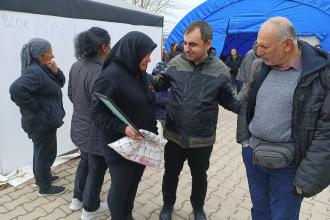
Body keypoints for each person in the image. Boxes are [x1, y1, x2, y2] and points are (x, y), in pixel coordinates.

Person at [237, 17, 330, 220]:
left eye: (265, 46)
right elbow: (247, 104)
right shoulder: (260, 66)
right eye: (257, 45)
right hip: (254, 158)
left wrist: (306, 177)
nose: (258, 52)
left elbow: (327, 132)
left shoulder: (321, 74)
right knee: (260, 212)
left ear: (287, 45)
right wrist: (245, 142)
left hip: (288, 168)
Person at [153, 21, 241, 220]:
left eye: (192, 44)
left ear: (208, 43)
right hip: (174, 135)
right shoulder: (176, 63)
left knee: (199, 176)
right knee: (170, 173)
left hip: (202, 139)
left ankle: (198, 207)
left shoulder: (220, 70)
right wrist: (141, 75)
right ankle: (168, 205)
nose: (186, 48)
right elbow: (158, 85)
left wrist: (249, 109)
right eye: (185, 43)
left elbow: (228, 101)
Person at [91, 31, 157, 220]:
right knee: (121, 187)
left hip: (141, 144)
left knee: (133, 184)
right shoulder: (110, 77)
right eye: (146, 54)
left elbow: (145, 101)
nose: (149, 59)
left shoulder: (139, 73)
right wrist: (123, 128)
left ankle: (127, 215)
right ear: (133, 51)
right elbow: (97, 114)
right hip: (120, 146)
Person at [9, 38, 66, 196]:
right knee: (46, 154)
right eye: (49, 52)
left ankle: (42, 178)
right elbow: (16, 90)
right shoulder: (34, 72)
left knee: (41, 152)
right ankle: (45, 187)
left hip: (43, 121)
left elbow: (60, 83)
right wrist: (36, 108)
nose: (52, 55)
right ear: (40, 55)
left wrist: (56, 71)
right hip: (40, 122)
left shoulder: (43, 68)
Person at [68, 27, 111, 219]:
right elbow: (102, 108)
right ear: (103, 46)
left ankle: (77, 199)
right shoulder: (103, 71)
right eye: (109, 45)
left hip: (79, 126)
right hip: (94, 132)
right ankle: (90, 208)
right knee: (97, 168)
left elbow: (71, 95)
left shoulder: (76, 66)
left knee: (84, 162)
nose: (110, 48)